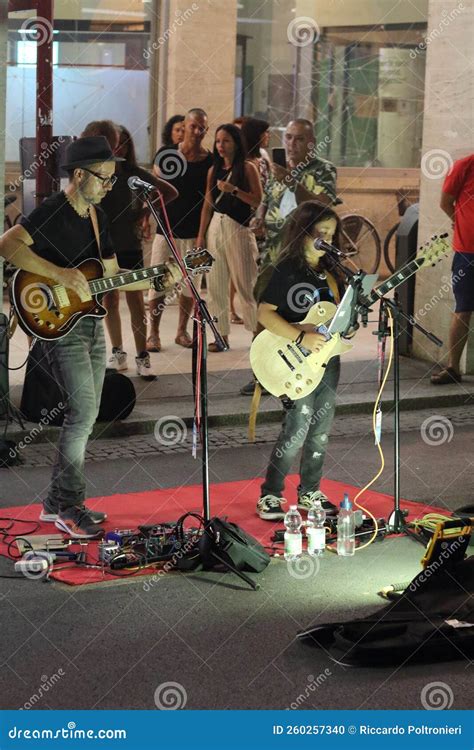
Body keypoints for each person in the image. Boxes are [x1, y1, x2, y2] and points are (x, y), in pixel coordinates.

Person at [0, 137, 176, 539]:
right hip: (59, 326)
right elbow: (7, 245)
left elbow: (112, 274)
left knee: (89, 414)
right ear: (79, 175)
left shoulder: (97, 218)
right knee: (81, 415)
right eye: (104, 178)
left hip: (91, 323)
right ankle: (69, 505)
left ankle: (53, 504)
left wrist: (156, 280)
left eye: (112, 179)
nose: (108, 186)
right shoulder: (52, 212)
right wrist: (61, 275)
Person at [256, 201, 344, 521]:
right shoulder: (288, 270)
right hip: (295, 360)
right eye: (320, 233)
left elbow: (333, 317)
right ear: (303, 232)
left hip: (327, 359)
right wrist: (299, 337)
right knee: (297, 426)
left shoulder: (333, 273)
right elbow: (264, 313)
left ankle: (310, 491)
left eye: (332, 234)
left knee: (321, 429)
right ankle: (270, 493)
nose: (327, 240)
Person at [241, 118, 339, 395]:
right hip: (272, 253)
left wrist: (292, 181)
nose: (291, 144)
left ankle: (296, 369)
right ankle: (261, 373)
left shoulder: (323, 170)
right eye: (288, 138)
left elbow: (324, 206)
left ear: (311, 143)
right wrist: (259, 218)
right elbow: (266, 200)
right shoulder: (276, 169)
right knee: (264, 311)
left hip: (305, 259)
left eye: (298, 139)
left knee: (298, 313)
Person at [94, 124, 177, 378]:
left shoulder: (133, 173)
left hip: (129, 245)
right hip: (105, 247)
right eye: (113, 144)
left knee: (135, 301)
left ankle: (142, 356)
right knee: (109, 300)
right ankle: (118, 352)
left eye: (123, 143)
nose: (118, 148)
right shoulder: (100, 173)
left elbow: (169, 192)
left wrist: (142, 212)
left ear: (128, 147)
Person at [147, 108, 213, 351]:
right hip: (165, 230)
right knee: (158, 281)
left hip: (193, 231)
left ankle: (181, 331)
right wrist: (146, 217)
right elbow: (153, 190)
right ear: (184, 126)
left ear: (206, 130)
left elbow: (208, 199)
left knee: (190, 285)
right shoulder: (166, 154)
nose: (197, 132)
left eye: (202, 128)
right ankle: (152, 333)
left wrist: (201, 234)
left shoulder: (209, 160)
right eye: (193, 126)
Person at [196, 123, 263, 351]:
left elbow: (257, 200)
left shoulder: (247, 168)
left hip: (239, 228)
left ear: (236, 143)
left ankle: (258, 334)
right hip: (216, 224)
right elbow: (207, 204)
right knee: (215, 285)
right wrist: (201, 236)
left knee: (246, 284)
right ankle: (220, 335)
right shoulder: (213, 170)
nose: (221, 146)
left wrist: (233, 190)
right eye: (217, 141)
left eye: (226, 141)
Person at [431, 153, 474, 385]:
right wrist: (460, 223)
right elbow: (445, 202)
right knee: (463, 309)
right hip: (468, 251)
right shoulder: (464, 166)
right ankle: (453, 368)